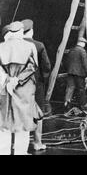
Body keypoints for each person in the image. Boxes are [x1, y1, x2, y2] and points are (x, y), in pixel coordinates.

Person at [0, 21, 42, 155]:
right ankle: (20, 152)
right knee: (23, 124)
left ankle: (4, 152)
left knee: (4, 123)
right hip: (24, 89)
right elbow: (33, 66)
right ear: (21, 32)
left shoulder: (1, 47)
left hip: (4, 89)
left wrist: (8, 80)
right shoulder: (30, 47)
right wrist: (17, 79)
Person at [22, 19, 51, 151]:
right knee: (38, 114)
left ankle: (20, 142)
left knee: (21, 111)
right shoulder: (39, 45)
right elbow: (46, 67)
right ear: (32, 30)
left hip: (19, 85)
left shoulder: (14, 45)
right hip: (36, 84)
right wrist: (42, 81)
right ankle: (37, 142)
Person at [64, 36, 87, 113]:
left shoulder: (71, 50)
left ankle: (66, 102)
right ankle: (83, 105)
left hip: (70, 72)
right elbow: (85, 64)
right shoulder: (82, 51)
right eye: (84, 43)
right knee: (81, 89)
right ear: (82, 43)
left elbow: (67, 61)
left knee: (70, 87)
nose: (85, 45)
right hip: (79, 73)